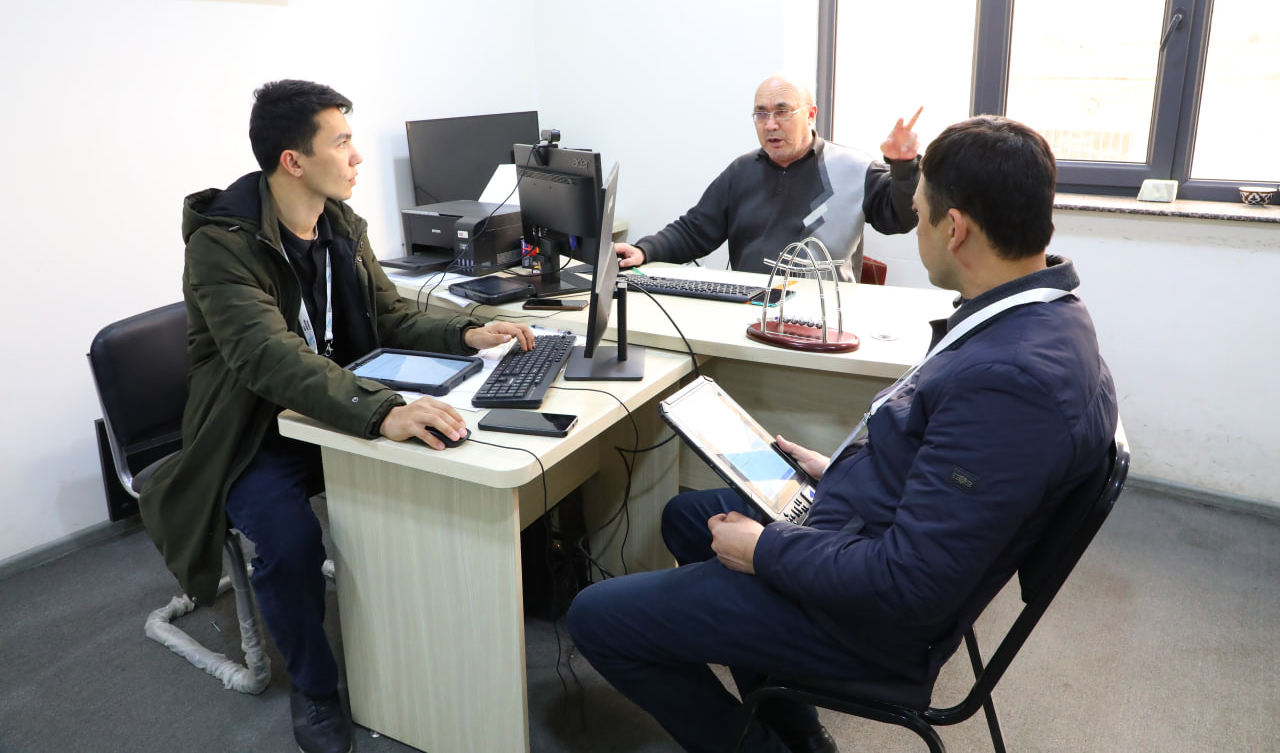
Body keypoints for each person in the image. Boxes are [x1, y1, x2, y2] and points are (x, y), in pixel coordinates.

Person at [568, 115, 1118, 753]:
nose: (914, 224)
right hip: (867, 530)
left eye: (919, 212)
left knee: (595, 618)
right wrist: (836, 471)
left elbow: (910, 585)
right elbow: (942, 473)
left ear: (955, 227)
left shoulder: (1010, 381)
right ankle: (794, 726)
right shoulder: (1041, 315)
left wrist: (766, 552)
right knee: (689, 518)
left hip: (871, 622)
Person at [138, 79, 535, 753]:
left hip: (335, 406)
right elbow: (269, 357)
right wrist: (382, 412)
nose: (356, 157)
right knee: (291, 543)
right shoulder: (220, 245)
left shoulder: (338, 223)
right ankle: (315, 688)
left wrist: (466, 331)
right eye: (342, 142)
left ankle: (434, 636)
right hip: (254, 430)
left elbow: (390, 315)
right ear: (293, 160)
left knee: (447, 467)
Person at [612, 74, 922, 282]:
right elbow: (695, 230)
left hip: (823, 323)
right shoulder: (741, 171)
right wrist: (646, 250)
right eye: (761, 113)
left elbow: (901, 218)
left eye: (782, 112)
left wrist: (904, 165)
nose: (770, 124)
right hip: (749, 313)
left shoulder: (853, 169)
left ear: (810, 115)